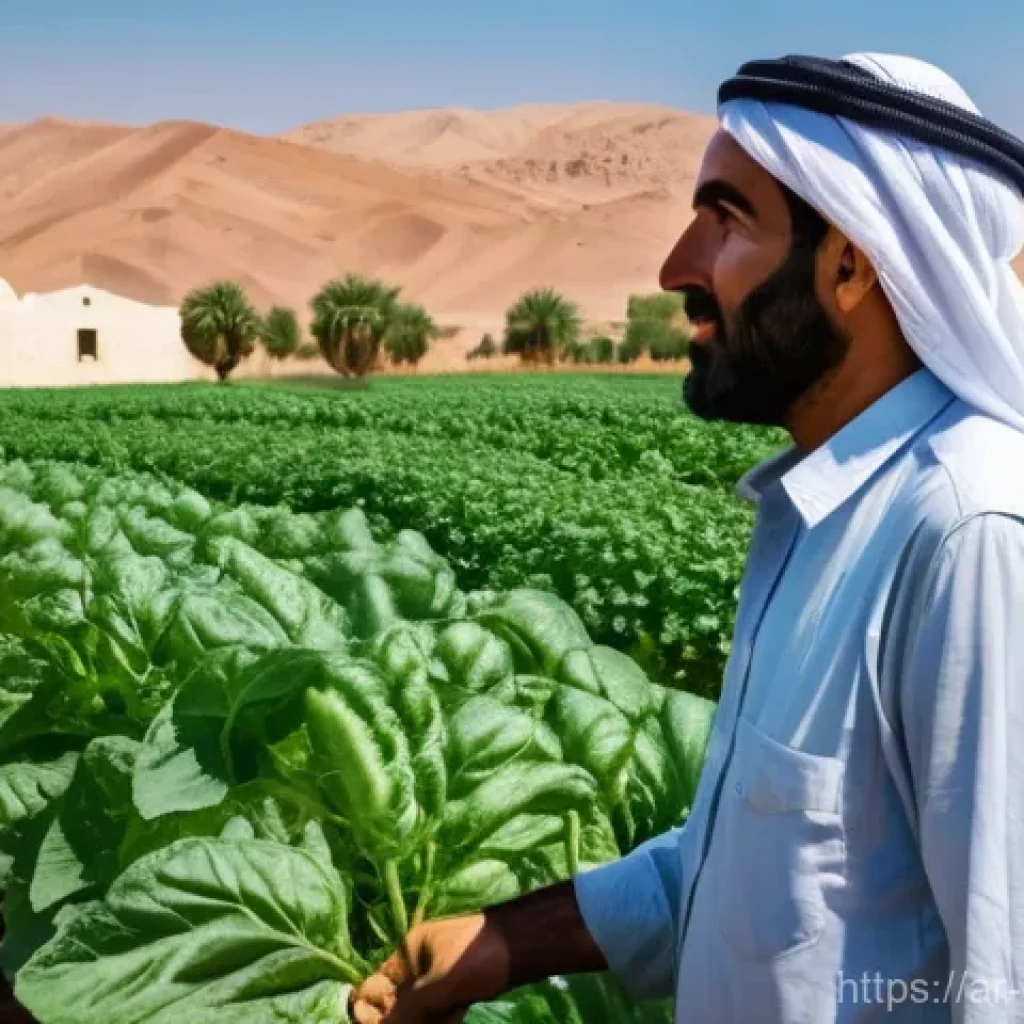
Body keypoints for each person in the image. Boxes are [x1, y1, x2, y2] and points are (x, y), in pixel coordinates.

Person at [349, 51, 1024, 1024]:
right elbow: (759, 874)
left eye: (726, 219)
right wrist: (506, 940)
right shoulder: (820, 512)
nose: (675, 269)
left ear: (848, 267)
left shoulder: (966, 533)